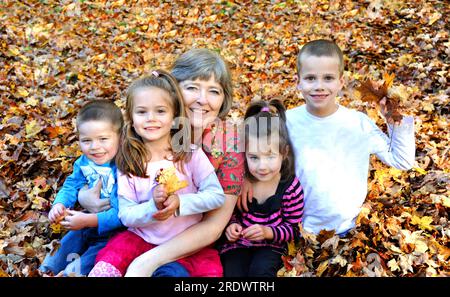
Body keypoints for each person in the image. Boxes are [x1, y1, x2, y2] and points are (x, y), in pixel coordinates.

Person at [239, 39, 415, 236]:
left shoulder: (358, 123)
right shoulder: (286, 122)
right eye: (311, 78)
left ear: (341, 82)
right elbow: (246, 146)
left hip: (346, 231)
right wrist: (245, 176)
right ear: (298, 82)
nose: (319, 86)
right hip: (294, 229)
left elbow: (403, 160)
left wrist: (394, 121)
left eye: (328, 78)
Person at [88, 69, 226, 277]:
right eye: (142, 112)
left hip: (186, 247)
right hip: (139, 239)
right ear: (132, 119)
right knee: (103, 270)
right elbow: (126, 214)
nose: (151, 119)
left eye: (160, 111)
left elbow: (216, 196)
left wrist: (181, 203)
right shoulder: (130, 161)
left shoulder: (190, 155)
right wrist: (152, 207)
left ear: (174, 118)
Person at [121, 49, 246, 276]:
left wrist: (147, 262)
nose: (203, 100)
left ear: (223, 99)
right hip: (141, 229)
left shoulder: (231, 143)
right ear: (173, 90)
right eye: (192, 88)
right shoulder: (153, 125)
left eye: (214, 91)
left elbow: (213, 226)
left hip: (195, 243)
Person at [219, 99, 304, 277]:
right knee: (232, 272)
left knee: (261, 271)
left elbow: (294, 228)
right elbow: (229, 212)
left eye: (270, 156)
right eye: (254, 157)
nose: (262, 166)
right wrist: (232, 225)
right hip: (239, 243)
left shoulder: (290, 187)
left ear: (284, 152)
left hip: (271, 245)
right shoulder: (239, 181)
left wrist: (268, 232)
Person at [39, 100, 124, 276]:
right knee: (54, 259)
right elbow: (71, 185)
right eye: (86, 140)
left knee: (76, 269)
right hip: (84, 224)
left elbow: (122, 213)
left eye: (103, 139)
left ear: (120, 137)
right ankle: (46, 271)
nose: (95, 147)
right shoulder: (83, 163)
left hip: (114, 233)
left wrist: (88, 220)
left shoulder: (123, 167)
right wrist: (59, 204)